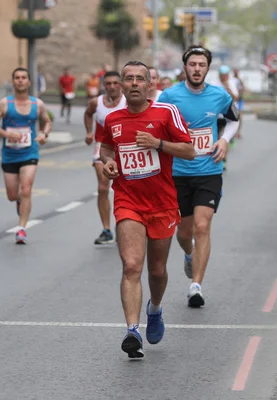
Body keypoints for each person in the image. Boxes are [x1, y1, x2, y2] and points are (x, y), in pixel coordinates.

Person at [100, 60, 195, 358]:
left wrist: (158, 143)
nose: (134, 83)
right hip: (128, 201)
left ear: (149, 84)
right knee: (131, 265)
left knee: (157, 271)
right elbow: (105, 147)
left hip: (162, 204)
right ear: (123, 85)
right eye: (128, 79)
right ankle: (132, 331)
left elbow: (189, 150)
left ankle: (155, 309)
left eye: (140, 79)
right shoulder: (113, 119)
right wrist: (108, 163)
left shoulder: (166, 113)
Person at [158, 45, 240, 307]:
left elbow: (234, 119)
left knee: (203, 227)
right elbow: (156, 124)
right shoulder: (169, 96)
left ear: (207, 68)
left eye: (201, 65)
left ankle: (196, 286)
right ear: (185, 67)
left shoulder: (220, 96)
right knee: (183, 234)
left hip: (209, 171)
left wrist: (225, 140)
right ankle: (190, 254)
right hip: (178, 174)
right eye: (192, 64)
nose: (196, 69)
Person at [0, 67, 52, 244]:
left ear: (29, 82)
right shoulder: (4, 104)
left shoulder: (37, 104)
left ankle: (22, 228)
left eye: (24, 77)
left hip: (29, 152)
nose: (20, 80)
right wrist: (6, 134)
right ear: (13, 81)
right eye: (17, 78)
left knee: (26, 188)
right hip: (9, 154)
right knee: (12, 194)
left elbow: (47, 122)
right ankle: (18, 202)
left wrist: (44, 134)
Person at [83, 71, 127, 244]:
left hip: (124, 147)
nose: (112, 87)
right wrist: (89, 132)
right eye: (108, 83)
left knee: (124, 187)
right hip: (102, 146)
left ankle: (124, 223)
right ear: (103, 85)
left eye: (116, 83)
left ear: (121, 84)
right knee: (103, 187)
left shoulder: (127, 101)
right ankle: (106, 229)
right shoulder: (97, 102)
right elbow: (88, 113)